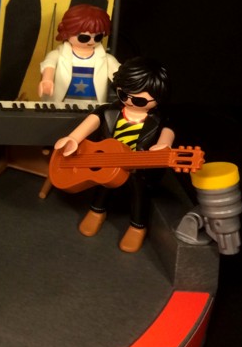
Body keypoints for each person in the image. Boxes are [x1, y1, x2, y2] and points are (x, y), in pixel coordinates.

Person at [54, 57, 174, 253]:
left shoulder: (159, 120)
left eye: (139, 100)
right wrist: (73, 138)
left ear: (158, 98)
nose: (129, 101)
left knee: (139, 191)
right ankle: (96, 211)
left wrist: (163, 146)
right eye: (123, 94)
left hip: (137, 167)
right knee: (103, 182)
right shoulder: (108, 111)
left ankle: (137, 226)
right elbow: (89, 124)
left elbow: (167, 136)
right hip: (107, 160)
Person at [38, 4, 119, 104]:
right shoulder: (57, 55)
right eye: (84, 37)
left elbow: (120, 76)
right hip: (62, 105)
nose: (91, 41)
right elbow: (49, 65)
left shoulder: (107, 59)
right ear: (67, 32)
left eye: (98, 37)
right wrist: (47, 80)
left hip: (93, 106)